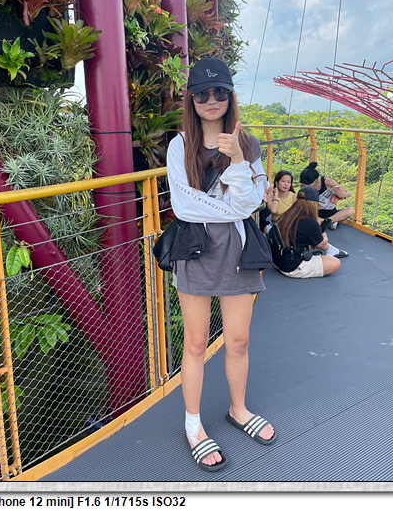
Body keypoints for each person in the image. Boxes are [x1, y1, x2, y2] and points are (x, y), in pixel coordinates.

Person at [166, 57, 276, 473]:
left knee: (239, 340)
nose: (211, 100)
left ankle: (238, 410)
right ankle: (193, 425)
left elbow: (252, 203)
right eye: (202, 94)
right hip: (196, 248)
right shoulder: (180, 146)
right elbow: (184, 206)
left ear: (230, 96)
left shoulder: (248, 144)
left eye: (219, 92)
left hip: (237, 250)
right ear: (191, 99)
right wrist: (232, 207)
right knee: (196, 343)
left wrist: (237, 163)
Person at [271, 186, 342, 278]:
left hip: (278, 261)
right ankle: (332, 251)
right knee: (336, 263)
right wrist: (324, 237)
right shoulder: (309, 222)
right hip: (292, 267)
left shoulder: (287, 215)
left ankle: (332, 250)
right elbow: (320, 244)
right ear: (314, 204)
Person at [299, 161, 355, 229]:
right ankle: (329, 223)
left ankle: (327, 222)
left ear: (315, 181)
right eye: (303, 184)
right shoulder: (303, 186)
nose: (305, 186)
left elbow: (348, 193)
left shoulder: (326, 181)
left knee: (351, 210)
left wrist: (344, 195)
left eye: (308, 184)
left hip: (331, 213)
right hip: (314, 212)